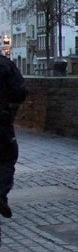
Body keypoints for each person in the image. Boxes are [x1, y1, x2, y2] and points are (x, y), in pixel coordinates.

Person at [0, 53, 27, 219]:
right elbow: (19, 91)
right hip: (1, 122)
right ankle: (1, 194)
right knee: (6, 158)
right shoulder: (5, 65)